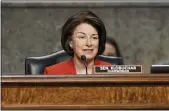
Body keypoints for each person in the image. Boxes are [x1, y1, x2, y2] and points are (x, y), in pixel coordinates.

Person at [44, 11, 111, 75]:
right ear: (70, 42)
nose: (89, 43)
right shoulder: (53, 72)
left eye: (94, 38)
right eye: (82, 37)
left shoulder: (111, 71)